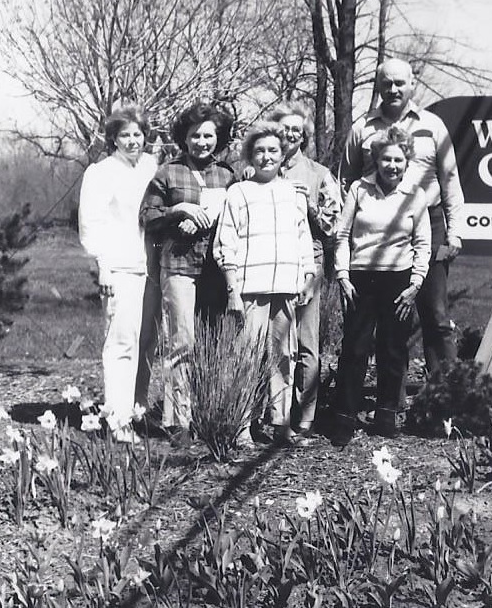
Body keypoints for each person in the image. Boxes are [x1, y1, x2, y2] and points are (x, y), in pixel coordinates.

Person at [342, 59, 464, 385]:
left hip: (429, 223)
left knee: (435, 314)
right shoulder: (362, 128)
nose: (393, 89)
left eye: (399, 83)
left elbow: (450, 180)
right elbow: (347, 181)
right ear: (378, 86)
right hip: (377, 230)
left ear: (412, 84)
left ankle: (445, 397)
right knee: (388, 318)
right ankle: (390, 401)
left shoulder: (433, 126)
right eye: (387, 83)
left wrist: (454, 232)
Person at [213, 122, 315, 446]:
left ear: (283, 154)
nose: (266, 156)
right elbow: (225, 243)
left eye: (273, 150)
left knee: (283, 357)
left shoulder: (293, 193)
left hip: (286, 287)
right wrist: (232, 289)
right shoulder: (238, 192)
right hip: (250, 289)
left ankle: (281, 425)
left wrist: (307, 276)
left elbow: (303, 238)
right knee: (246, 357)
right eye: (259, 151)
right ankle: (242, 426)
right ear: (250, 155)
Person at [139, 101, 236, 433]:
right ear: (185, 137)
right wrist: (179, 210)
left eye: (208, 136)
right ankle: (179, 421)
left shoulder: (227, 174)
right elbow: (147, 217)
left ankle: (208, 414)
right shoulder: (168, 172)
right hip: (180, 264)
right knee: (182, 342)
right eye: (195, 135)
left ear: (218, 138)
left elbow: (238, 217)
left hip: (216, 269)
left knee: (212, 342)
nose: (202, 142)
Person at [332, 127, 431, 446]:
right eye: (386, 159)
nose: (392, 165)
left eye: (398, 160)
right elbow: (342, 236)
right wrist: (343, 275)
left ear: (407, 162)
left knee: (393, 349)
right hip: (361, 279)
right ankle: (344, 418)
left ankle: (386, 415)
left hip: (398, 280)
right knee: (354, 349)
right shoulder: (359, 189)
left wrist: (416, 283)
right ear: (376, 160)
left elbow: (423, 243)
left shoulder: (415, 194)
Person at [78, 106, 159, 441]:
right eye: (124, 135)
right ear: (113, 138)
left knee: (147, 342)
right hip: (119, 268)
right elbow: (91, 224)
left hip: (151, 266)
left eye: (137, 134)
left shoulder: (151, 167)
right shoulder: (100, 173)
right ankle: (118, 420)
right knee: (121, 343)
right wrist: (104, 267)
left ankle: (137, 411)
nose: (132, 140)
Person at [265, 102, 342, 438]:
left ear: (304, 135)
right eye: (284, 129)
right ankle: (271, 412)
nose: (289, 135)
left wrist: (308, 204)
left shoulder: (319, 173)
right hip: (269, 262)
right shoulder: (262, 165)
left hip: (308, 262)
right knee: (273, 340)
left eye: (296, 129)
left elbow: (332, 227)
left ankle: (305, 417)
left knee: (307, 341)